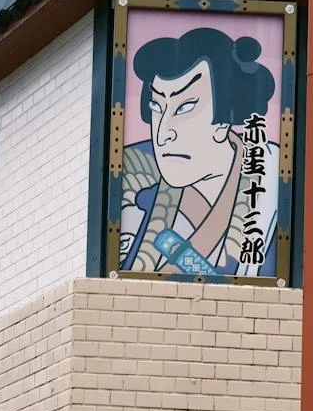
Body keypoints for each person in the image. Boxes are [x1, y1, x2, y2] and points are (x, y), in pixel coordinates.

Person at [119, 26, 281, 278]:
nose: (163, 134)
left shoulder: (271, 173)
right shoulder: (134, 171)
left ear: (224, 120)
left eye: (184, 108)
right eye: (156, 106)